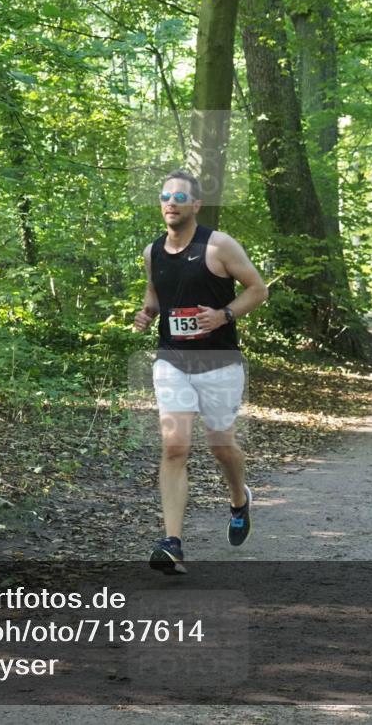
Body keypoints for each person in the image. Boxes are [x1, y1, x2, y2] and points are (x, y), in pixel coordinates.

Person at [133, 170, 268, 574]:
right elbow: (156, 294)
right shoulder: (152, 251)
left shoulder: (219, 246)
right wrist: (147, 313)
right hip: (171, 361)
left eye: (179, 197)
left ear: (195, 205)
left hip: (219, 363)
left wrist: (224, 314)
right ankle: (172, 543)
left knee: (219, 445)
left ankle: (239, 499)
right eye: (164, 196)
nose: (170, 202)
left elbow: (258, 289)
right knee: (175, 446)